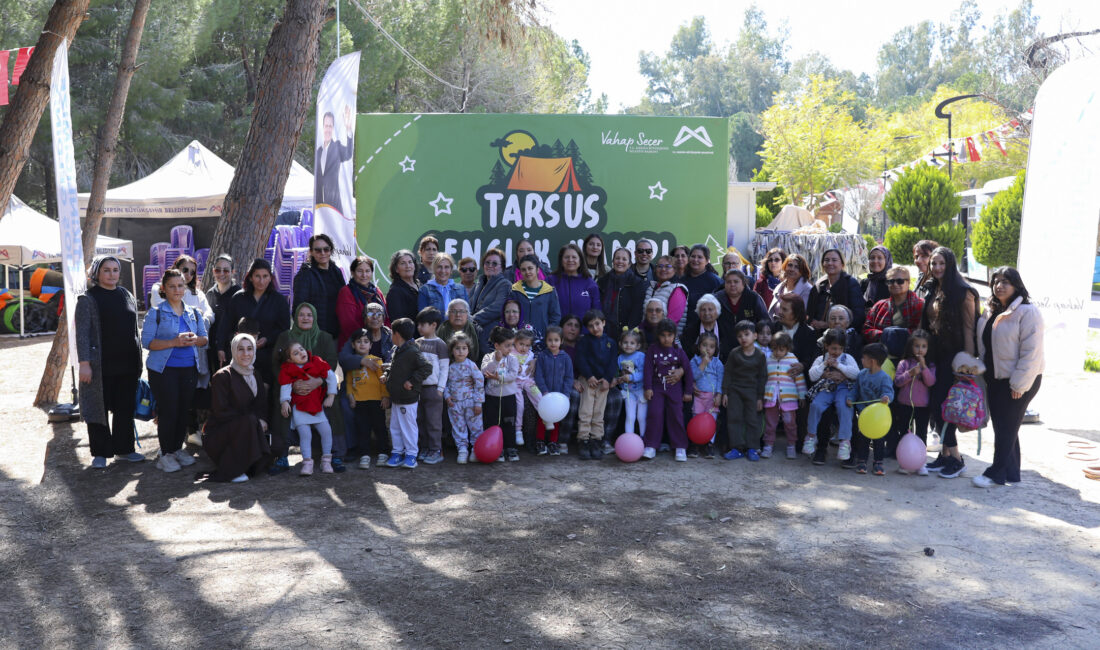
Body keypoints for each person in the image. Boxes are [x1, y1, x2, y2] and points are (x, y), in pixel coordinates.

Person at [973, 267, 1044, 488]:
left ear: (1017, 285)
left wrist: (1019, 384)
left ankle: (996, 473)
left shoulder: (1028, 312)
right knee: (1005, 426)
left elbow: (1031, 353)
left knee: (1005, 427)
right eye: (996, 281)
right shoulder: (990, 310)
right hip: (995, 377)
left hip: (1019, 380)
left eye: (1006, 281)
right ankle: (1012, 472)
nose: (999, 286)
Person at [76, 255, 144, 469]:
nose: (112, 274)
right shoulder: (87, 299)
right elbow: (82, 335)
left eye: (115, 270)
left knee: (125, 409)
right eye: (106, 270)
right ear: (96, 273)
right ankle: (100, 452)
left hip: (127, 364)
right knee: (99, 409)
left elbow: (134, 330)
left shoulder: (126, 294)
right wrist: (84, 363)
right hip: (100, 366)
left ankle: (124, 449)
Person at [921, 246, 980, 479]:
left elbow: (969, 329)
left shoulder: (964, 292)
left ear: (951, 264)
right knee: (936, 408)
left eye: (941, 264)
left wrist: (966, 364)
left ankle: (956, 458)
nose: (936, 268)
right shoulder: (933, 288)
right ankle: (945, 456)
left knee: (945, 407)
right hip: (935, 354)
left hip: (954, 358)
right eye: (933, 264)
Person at [142, 268, 209, 472]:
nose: (177, 290)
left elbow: (204, 339)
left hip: (188, 368)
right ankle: (166, 453)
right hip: (164, 370)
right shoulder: (156, 312)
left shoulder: (193, 312)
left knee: (183, 410)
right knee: (168, 410)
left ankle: (177, 449)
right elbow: (147, 342)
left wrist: (193, 340)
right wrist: (174, 341)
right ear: (164, 288)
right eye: (172, 286)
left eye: (180, 285)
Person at [270, 302, 344, 473]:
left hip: (320, 385)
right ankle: (281, 456)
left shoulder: (324, 337)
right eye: (301, 314)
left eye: (309, 314)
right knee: (281, 403)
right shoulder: (285, 336)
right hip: (291, 385)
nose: (305, 318)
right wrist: (293, 384)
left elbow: (331, 362)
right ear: (295, 317)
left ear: (315, 318)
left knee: (333, 402)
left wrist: (318, 382)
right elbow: (276, 364)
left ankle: (335, 454)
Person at [203, 333, 271, 482]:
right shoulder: (222, 376)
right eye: (240, 349)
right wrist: (253, 421)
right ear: (233, 350)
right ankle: (233, 469)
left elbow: (261, 404)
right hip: (222, 431)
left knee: (277, 444)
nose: (246, 354)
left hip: (248, 426)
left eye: (249, 349)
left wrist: (261, 419)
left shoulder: (255, 374)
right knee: (247, 422)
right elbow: (221, 411)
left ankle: (249, 463)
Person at [339, 304, 392, 468]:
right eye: (370, 313)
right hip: (358, 388)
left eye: (379, 313)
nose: (375, 317)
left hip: (386, 384)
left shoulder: (390, 335)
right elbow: (344, 359)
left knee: (380, 421)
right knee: (347, 407)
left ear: (384, 317)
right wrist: (362, 361)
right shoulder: (358, 336)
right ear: (364, 317)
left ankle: (389, 449)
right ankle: (356, 448)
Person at [221, 259, 289, 387]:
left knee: (264, 390)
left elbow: (284, 328)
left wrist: (267, 339)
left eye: (265, 276)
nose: (261, 281)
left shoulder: (278, 300)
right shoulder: (238, 298)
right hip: (241, 354)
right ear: (250, 277)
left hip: (268, 355)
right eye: (257, 276)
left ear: (270, 278)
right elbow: (226, 325)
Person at [278, 342, 338, 475]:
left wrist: (331, 396)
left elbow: (331, 376)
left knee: (326, 431)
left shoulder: (317, 362)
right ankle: (307, 463)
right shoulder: (288, 369)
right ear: (289, 359)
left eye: (301, 349)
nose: (301, 353)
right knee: (305, 435)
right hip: (300, 408)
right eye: (296, 353)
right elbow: (285, 385)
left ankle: (326, 461)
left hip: (317, 406)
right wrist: (285, 402)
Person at [803, 328, 859, 466]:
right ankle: (811, 436)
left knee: (844, 406)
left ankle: (845, 442)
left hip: (843, 388)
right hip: (826, 388)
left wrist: (839, 366)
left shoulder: (847, 358)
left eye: (840, 348)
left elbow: (856, 374)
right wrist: (824, 366)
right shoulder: (821, 359)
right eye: (833, 348)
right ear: (827, 346)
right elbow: (812, 375)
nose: (837, 352)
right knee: (816, 405)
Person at [384, 318, 432, 469]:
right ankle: (397, 452)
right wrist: (386, 374)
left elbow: (426, 367)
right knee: (395, 426)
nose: (391, 335)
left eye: (392, 333)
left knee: (408, 427)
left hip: (408, 398)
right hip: (397, 397)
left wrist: (412, 381)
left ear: (397, 334)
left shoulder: (412, 351)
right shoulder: (397, 350)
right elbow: (394, 366)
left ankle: (411, 454)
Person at [643, 318, 694, 461]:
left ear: (674, 335)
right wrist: (648, 388)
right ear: (658, 335)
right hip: (657, 387)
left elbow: (688, 371)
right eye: (663, 335)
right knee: (655, 414)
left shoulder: (679, 351)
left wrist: (688, 391)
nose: (666, 339)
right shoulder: (652, 349)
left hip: (675, 389)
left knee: (676, 415)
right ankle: (651, 445)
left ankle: (680, 447)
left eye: (670, 335)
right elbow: (647, 370)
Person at [574, 309, 618, 460]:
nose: (595, 328)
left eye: (598, 324)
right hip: (588, 380)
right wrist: (589, 376)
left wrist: (607, 378)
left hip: (602, 383)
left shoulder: (611, 343)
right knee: (586, 411)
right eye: (591, 326)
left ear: (604, 323)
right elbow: (581, 359)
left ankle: (596, 440)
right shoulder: (584, 341)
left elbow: (613, 363)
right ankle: (583, 439)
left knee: (599, 412)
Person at [721, 320, 767, 461]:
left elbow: (762, 377)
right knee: (734, 419)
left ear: (755, 335)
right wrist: (725, 393)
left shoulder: (760, 356)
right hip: (735, 391)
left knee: (752, 420)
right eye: (740, 336)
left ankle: (752, 448)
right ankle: (736, 448)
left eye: (746, 334)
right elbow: (728, 373)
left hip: (752, 392)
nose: (743, 338)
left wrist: (760, 397)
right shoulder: (734, 353)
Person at [848, 343, 894, 475]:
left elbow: (889, 392)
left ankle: (878, 462)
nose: (861, 360)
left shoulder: (884, 377)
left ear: (872, 361)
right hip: (864, 414)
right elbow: (855, 389)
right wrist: (850, 398)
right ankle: (862, 461)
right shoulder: (862, 374)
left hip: (878, 417)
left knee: (879, 439)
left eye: (863, 358)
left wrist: (886, 397)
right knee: (863, 437)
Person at [893, 329, 935, 473]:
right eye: (917, 346)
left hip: (922, 406)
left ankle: (921, 463)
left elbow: (930, 382)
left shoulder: (930, 365)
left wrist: (923, 368)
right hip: (905, 404)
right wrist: (910, 373)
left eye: (924, 346)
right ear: (911, 346)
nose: (920, 349)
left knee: (922, 433)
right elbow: (898, 381)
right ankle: (904, 462)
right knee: (904, 432)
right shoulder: (904, 363)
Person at [762, 332, 807, 460]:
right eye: (775, 349)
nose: (777, 352)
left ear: (787, 348)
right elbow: (764, 378)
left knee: (790, 423)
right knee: (770, 423)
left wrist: (802, 396)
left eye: (781, 349)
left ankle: (791, 445)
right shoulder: (768, 359)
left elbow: (799, 378)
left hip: (789, 398)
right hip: (771, 398)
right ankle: (768, 445)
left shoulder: (793, 360)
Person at [293, 234, 345, 340]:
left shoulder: (336, 272)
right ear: (311, 252)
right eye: (318, 250)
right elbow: (298, 309)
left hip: (336, 333)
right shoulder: (305, 275)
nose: (322, 253)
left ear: (331, 250)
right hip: (314, 336)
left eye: (326, 249)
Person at [415, 307, 449, 465]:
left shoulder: (440, 344)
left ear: (434, 325)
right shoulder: (416, 343)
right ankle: (424, 447)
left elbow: (444, 368)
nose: (419, 328)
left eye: (423, 324)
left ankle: (436, 449)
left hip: (434, 388)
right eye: (418, 324)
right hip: (417, 389)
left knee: (433, 421)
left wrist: (440, 389)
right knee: (420, 419)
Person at [444, 333, 484, 464]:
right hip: (455, 404)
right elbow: (445, 383)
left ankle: (476, 450)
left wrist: (478, 402)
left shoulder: (471, 365)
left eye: (463, 348)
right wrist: (447, 396)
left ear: (468, 350)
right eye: (457, 348)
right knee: (458, 427)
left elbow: (479, 382)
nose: (460, 351)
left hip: (471, 402)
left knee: (476, 427)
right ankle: (462, 450)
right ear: (452, 350)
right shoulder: (449, 367)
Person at [482, 326, 521, 462]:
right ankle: (496, 448)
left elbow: (513, 375)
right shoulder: (488, 357)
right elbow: (485, 371)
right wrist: (496, 362)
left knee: (509, 422)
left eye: (512, 345)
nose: (510, 349)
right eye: (507, 345)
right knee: (493, 422)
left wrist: (499, 378)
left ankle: (510, 447)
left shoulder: (513, 359)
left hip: (508, 397)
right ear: (497, 345)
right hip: (492, 397)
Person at [534, 325, 574, 455]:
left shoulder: (566, 358)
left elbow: (569, 377)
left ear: (561, 341)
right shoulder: (542, 357)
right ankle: (540, 441)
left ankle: (553, 442)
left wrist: (566, 393)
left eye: (556, 340)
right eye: (550, 340)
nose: (553, 343)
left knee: (556, 419)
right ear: (546, 340)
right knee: (542, 418)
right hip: (544, 394)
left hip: (559, 396)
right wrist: (544, 390)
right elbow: (538, 375)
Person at [863, 266, 923, 349]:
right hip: (881, 355)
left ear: (908, 282)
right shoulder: (879, 305)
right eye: (890, 281)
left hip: (910, 356)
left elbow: (921, 333)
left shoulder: (920, 305)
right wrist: (886, 335)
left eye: (900, 281)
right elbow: (866, 330)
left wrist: (898, 335)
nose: (895, 284)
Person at [806, 248, 865, 334]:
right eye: (826, 260)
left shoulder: (850, 284)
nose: (830, 263)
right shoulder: (819, 285)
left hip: (842, 337)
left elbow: (858, 315)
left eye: (834, 260)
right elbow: (810, 311)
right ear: (822, 264)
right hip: (816, 334)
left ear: (842, 264)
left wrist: (828, 325)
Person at [713, 270, 768, 359]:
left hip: (750, 349)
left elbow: (764, 321)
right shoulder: (716, 298)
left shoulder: (753, 297)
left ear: (743, 283)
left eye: (736, 281)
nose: (732, 284)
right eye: (728, 282)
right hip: (724, 351)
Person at [336, 255, 387, 348]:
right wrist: (366, 342)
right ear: (352, 272)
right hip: (356, 345)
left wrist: (383, 339)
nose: (364, 275)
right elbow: (348, 324)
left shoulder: (377, 292)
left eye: (367, 271)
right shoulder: (346, 292)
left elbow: (386, 317)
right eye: (360, 271)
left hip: (379, 343)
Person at [509, 254, 561, 341]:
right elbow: (509, 315)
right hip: (519, 342)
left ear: (537, 269)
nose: (527, 272)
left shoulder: (549, 291)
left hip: (542, 341)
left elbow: (555, 317)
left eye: (530, 268)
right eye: (523, 270)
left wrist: (547, 336)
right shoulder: (514, 290)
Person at [597, 247, 647, 336]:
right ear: (613, 261)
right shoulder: (602, 282)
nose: (620, 261)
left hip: (626, 334)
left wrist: (628, 332)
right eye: (617, 258)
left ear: (629, 264)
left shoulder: (637, 283)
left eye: (624, 259)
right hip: (603, 331)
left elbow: (637, 311)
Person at [689, 332, 723, 458]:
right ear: (699, 347)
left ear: (715, 349)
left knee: (711, 420)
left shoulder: (717, 363)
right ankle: (695, 444)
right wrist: (703, 364)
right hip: (698, 396)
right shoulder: (694, 360)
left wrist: (719, 394)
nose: (708, 349)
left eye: (711, 346)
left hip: (712, 398)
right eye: (704, 345)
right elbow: (692, 376)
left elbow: (720, 379)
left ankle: (710, 443)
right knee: (696, 419)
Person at [314, 106, 353, 215]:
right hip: (319, 206)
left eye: (330, 126)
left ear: (333, 128)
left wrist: (348, 129)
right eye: (326, 126)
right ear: (322, 127)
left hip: (334, 205)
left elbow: (348, 154)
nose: (328, 129)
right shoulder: (318, 152)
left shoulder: (337, 147)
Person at [547, 243, 600, 322]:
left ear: (580, 261)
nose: (570, 260)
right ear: (561, 260)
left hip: (584, 333)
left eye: (574, 257)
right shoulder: (550, 281)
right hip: (557, 332)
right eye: (566, 257)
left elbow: (597, 314)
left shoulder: (590, 283)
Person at [469, 248, 510, 346]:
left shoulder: (505, 284)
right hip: (472, 335)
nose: (490, 266)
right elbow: (468, 304)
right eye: (487, 263)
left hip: (490, 338)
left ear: (502, 268)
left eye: (495, 263)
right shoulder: (478, 284)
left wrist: (472, 320)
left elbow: (498, 307)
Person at [205, 254, 240, 368]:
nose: (221, 274)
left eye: (226, 270)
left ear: (233, 271)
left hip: (232, 348)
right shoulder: (209, 294)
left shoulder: (239, 294)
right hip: (212, 347)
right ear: (213, 271)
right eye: (218, 270)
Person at [511, 329, 542, 448]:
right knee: (520, 405)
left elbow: (529, 369)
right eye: (521, 344)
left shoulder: (531, 354)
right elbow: (514, 369)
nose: (524, 348)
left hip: (529, 382)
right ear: (515, 342)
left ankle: (546, 416)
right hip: (516, 383)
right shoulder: (511, 354)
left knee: (538, 395)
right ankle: (518, 430)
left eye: (527, 345)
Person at [645, 255, 689, 336]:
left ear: (675, 270)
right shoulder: (650, 288)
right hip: (647, 337)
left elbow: (673, 320)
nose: (663, 269)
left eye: (668, 266)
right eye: (660, 266)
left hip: (667, 340)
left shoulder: (677, 289)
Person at [616, 327, 647, 440]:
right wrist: (619, 379)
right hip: (629, 392)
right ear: (620, 344)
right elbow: (619, 373)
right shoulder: (620, 358)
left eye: (632, 343)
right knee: (630, 416)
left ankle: (644, 437)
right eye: (625, 342)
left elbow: (644, 373)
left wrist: (631, 377)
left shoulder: (641, 356)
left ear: (638, 345)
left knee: (641, 416)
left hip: (641, 391)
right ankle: (629, 438)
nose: (628, 345)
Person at [681, 294, 723, 363]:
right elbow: (686, 356)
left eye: (710, 309)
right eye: (703, 310)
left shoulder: (726, 329)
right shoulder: (689, 331)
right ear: (698, 312)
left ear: (717, 311)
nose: (706, 313)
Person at [681, 244, 722, 314]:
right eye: (693, 256)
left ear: (707, 261)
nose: (695, 260)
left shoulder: (715, 281)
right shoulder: (682, 280)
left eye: (700, 257)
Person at [385, 249, 421, 323]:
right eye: (403, 263)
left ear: (414, 265)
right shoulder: (395, 291)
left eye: (410, 262)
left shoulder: (420, 284)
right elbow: (398, 322)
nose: (407, 266)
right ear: (396, 269)